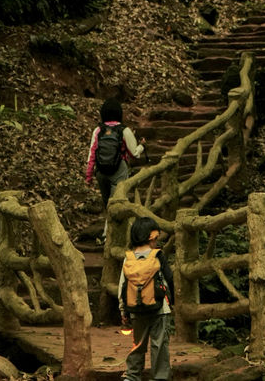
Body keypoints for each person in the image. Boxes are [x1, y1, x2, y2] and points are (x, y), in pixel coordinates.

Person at [118, 216, 174, 381]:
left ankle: (132, 375)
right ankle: (160, 377)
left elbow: (122, 285)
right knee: (159, 345)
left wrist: (123, 310)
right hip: (159, 308)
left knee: (138, 344)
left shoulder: (129, 258)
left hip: (135, 308)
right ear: (152, 236)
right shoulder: (158, 256)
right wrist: (172, 302)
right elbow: (168, 279)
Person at [85, 98, 146, 236]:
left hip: (101, 172)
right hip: (119, 170)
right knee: (116, 203)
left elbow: (92, 154)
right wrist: (142, 146)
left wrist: (88, 176)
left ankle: (109, 233)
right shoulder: (124, 130)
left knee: (108, 203)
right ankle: (109, 235)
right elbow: (134, 154)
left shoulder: (98, 130)